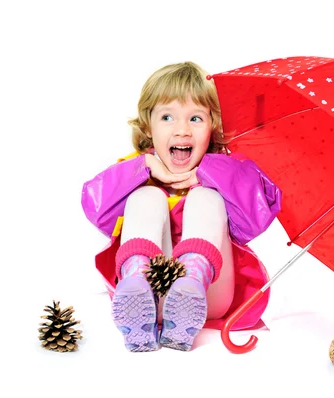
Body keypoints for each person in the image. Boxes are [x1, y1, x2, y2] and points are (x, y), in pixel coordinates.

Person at [81, 61, 282, 352]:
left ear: (213, 126)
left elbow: (256, 215)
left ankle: (191, 284)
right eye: (167, 117)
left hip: (209, 294)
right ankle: (137, 288)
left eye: (196, 119)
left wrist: (208, 175)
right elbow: (94, 205)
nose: (182, 130)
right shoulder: (136, 171)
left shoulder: (227, 173)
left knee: (206, 198)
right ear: (148, 126)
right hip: (151, 293)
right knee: (145, 197)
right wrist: (144, 168)